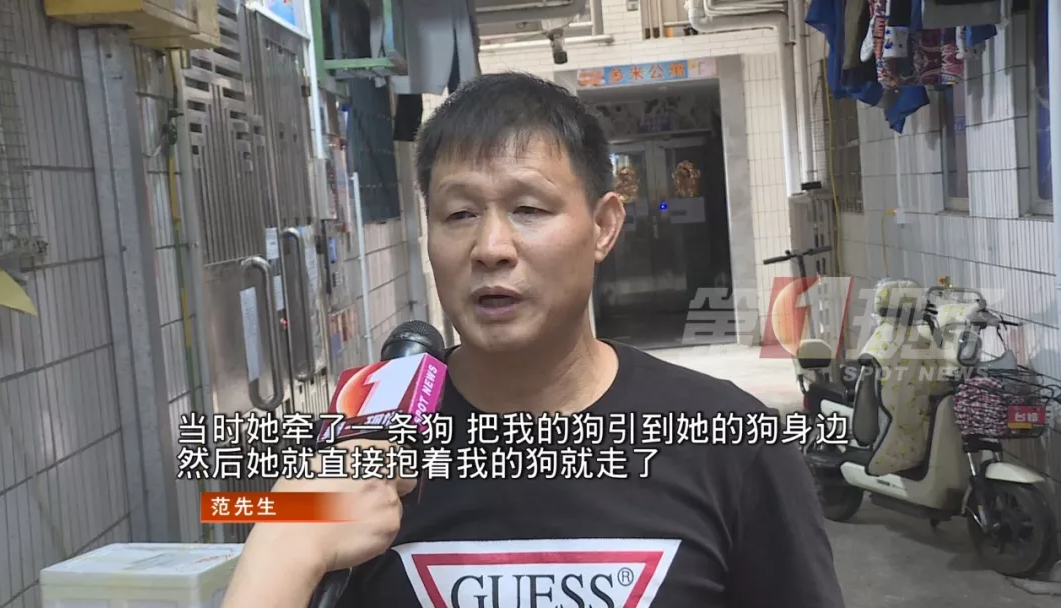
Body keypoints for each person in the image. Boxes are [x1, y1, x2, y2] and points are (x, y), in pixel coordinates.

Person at [221, 71, 845, 608]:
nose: (491, 248)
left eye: (529, 210)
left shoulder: (735, 444)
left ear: (604, 227)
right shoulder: (360, 451)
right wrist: (288, 541)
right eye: (459, 214)